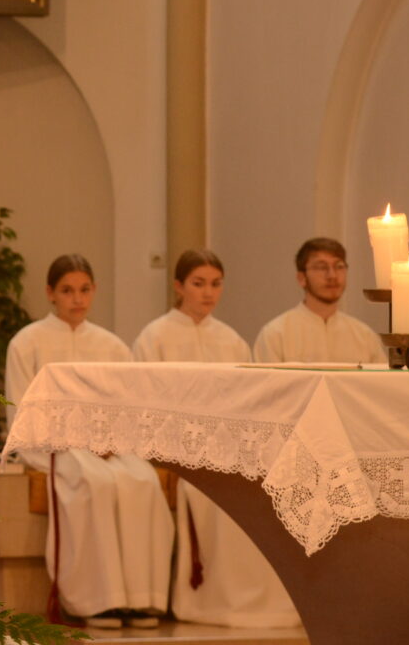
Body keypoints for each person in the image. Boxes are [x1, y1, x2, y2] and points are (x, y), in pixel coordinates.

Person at [133, 250, 300, 628]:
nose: (208, 293)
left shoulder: (233, 342)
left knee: (264, 483)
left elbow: (249, 405)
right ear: (178, 286)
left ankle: (262, 600)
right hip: (174, 449)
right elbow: (143, 405)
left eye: (216, 284)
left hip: (229, 447)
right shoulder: (154, 337)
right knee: (211, 493)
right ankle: (213, 599)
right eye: (198, 283)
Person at [5, 254, 172, 630]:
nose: (77, 299)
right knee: (92, 481)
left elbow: (129, 408)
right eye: (67, 291)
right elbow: (20, 411)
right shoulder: (27, 343)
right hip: (51, 445)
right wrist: (77, 439)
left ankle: (141, 598)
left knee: (142, 482)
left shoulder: (112, 346)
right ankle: (96, 600)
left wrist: (110, 437)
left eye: (84, 290)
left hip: (111, 445)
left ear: (94, 291)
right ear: (50, 293)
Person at [253, 238, 384, 364]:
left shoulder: (365, 336)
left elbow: (381, 385)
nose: (332, 275)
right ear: (301, 278)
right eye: (322, 267)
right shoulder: (276, 334)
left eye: (339, 266)